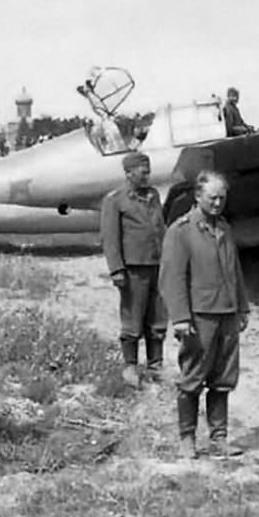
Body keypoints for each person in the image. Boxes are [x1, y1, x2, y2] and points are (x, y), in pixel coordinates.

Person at [159, 170, 250, 459]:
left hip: (227, 313)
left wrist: (242, 307)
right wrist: (181, 317)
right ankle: (187, 438)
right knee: (193, 378)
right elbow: (171, 278)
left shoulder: (225, 228)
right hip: (199, 318)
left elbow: (234, 271)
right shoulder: (180, 231)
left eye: (222, 198)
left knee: (223, 378)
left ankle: (219, 438)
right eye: (212, 198)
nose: (217, 203)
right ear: (197, 197)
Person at [100, 151, 169, 388]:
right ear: (128, 173)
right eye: (142, 172)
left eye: (148, 171)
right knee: (133, 317)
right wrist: (117, 269)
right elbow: (110, 238)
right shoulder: (115, 200)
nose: (147, 176)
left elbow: (161, 228)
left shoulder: (153, 196)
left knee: (158, 317)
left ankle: (155, 366)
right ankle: (130, 366)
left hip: (158, 266)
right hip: (133, 269)